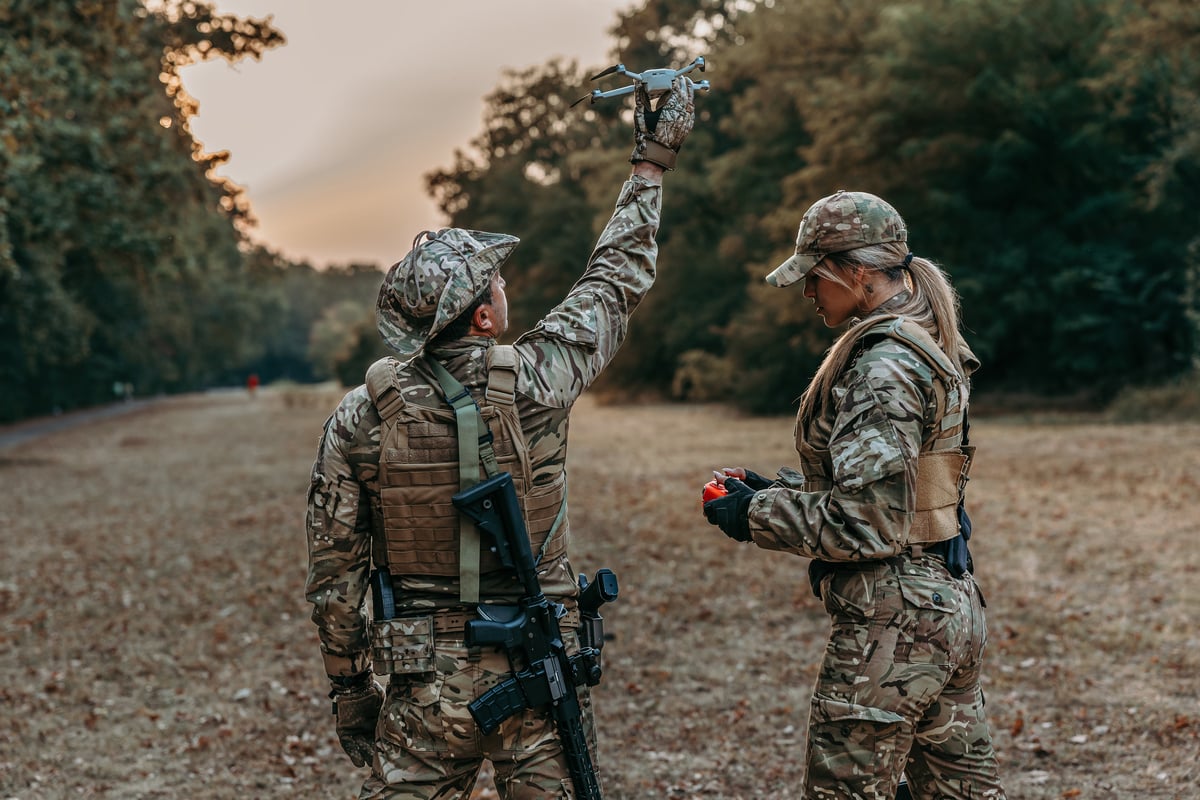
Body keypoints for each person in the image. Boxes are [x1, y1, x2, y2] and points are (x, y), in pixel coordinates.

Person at [305, 77, 695, 799]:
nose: (505, 291)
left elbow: (334, 577)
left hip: (422, 685)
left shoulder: (362, 416)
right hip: (532, 671)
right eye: (497, 285)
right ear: (482, 317)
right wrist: (651, 164)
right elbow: (614, 282)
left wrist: (350, 690)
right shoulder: (541, 379)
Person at [703, 190, 1007, 799]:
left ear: (858, 272)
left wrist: (749, 513)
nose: (809, 294)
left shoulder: (884, 366)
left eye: (815, 278)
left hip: (895, 625)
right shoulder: (925, 342)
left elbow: (866, 523)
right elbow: (899, 493)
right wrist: (777, 489)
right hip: (945, 604)